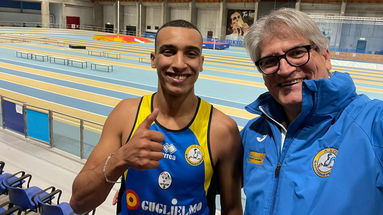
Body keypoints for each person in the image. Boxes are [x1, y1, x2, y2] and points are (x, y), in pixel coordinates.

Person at [70, 19, 243, 215]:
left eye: (191, 53)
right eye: (168, 51)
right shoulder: (125, 115)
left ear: (201, 63)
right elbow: (78, 203)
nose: (179, 64)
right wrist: (120, 159)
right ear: (153, 59)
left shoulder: (222, 130)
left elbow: (233, 209)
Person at [241, 8, 383, 215]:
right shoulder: (254, 134)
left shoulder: (373, 124)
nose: (285, 69)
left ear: (325, 56)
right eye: (270, 61)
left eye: (297, 52)